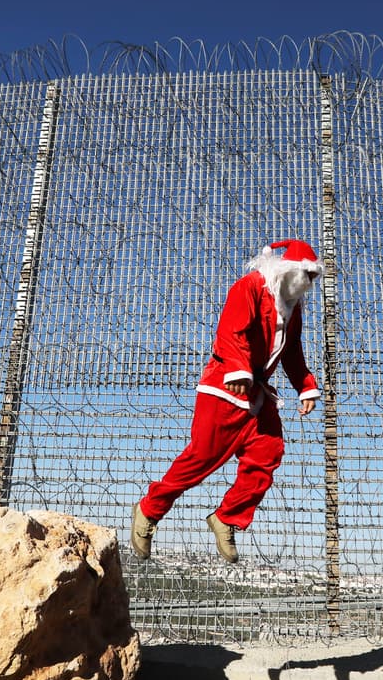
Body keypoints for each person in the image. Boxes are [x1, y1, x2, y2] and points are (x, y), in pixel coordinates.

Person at [130, 239, 323, 563]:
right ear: (290, 269)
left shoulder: (293, 308)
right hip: (225, 386)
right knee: (202, 458)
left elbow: (292, 351)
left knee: (267, 452)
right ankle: (150, 510)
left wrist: (305, 385)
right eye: (307, 275)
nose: (309, 283)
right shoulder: (250, 287)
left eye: (313, 278)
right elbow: (232, 330)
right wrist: (238, 371)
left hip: (257, 395)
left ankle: (227, 517)